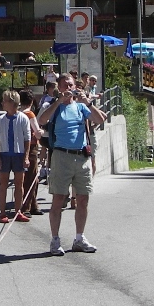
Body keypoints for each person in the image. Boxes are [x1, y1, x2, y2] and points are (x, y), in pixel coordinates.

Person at [37, 73, 107, 256]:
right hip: (61, 156)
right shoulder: (54, 106)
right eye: (65, 85)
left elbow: (100, 119)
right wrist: (58, 102)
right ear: (59, 88)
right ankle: (55, 240)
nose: (69, 87)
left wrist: (88, 102)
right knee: (58, 200)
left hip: (81, 157)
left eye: (71, 84)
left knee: (83, 199)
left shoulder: (81, 107)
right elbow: (42, 120)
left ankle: (79, 238)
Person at [0, 90, 31, 223]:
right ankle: (2, 213)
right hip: (4, 154)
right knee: (3, 184)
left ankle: (18, 211)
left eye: (5, 101)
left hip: (18, 154)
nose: (3, 103)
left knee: (19, 183)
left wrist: (26, 157)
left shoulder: (23, 118)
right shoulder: (1, 119)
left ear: (12, 103)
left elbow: (27, 139)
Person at [19, 89, 44, 216]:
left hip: (20, 148)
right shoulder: (30, 114)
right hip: (32, 147)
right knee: (32, 178)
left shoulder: (18, 114)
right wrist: (42, 132)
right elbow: (37, 133)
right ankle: (26, 206)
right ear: (32, 101)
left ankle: (34, 205)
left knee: (30, 178)